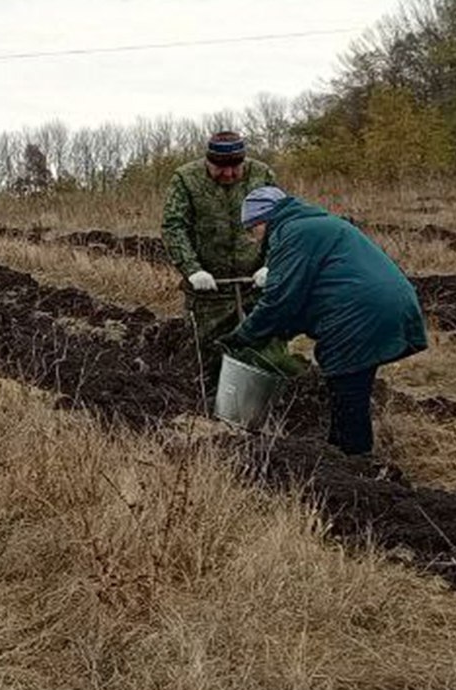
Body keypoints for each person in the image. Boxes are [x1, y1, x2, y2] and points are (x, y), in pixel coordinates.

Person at [222, 186, 427, 456]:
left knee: (348, 391)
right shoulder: (314, 222)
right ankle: (339, 453)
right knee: (349, 388)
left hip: (360, 312)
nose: (253, 239)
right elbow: (307, 295)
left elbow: (280, 299)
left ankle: (355, 464)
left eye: (252, 230)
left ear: (263, 220)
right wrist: (282, 330)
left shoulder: (293, 233)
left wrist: (242, 337)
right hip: (386, 303)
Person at [161, 132, 276, 375]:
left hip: (254, 285)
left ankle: (268, 403)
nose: (229, 174)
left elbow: (279, 222)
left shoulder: (262, 175)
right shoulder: (185, 179)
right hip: (209, 290)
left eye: (236, 167)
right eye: (220, 168)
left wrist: (271, 264)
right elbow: (174, 226)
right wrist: (192, 270)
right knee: (208, 355)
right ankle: (206, 405)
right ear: (207, 162)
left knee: (267, 351)